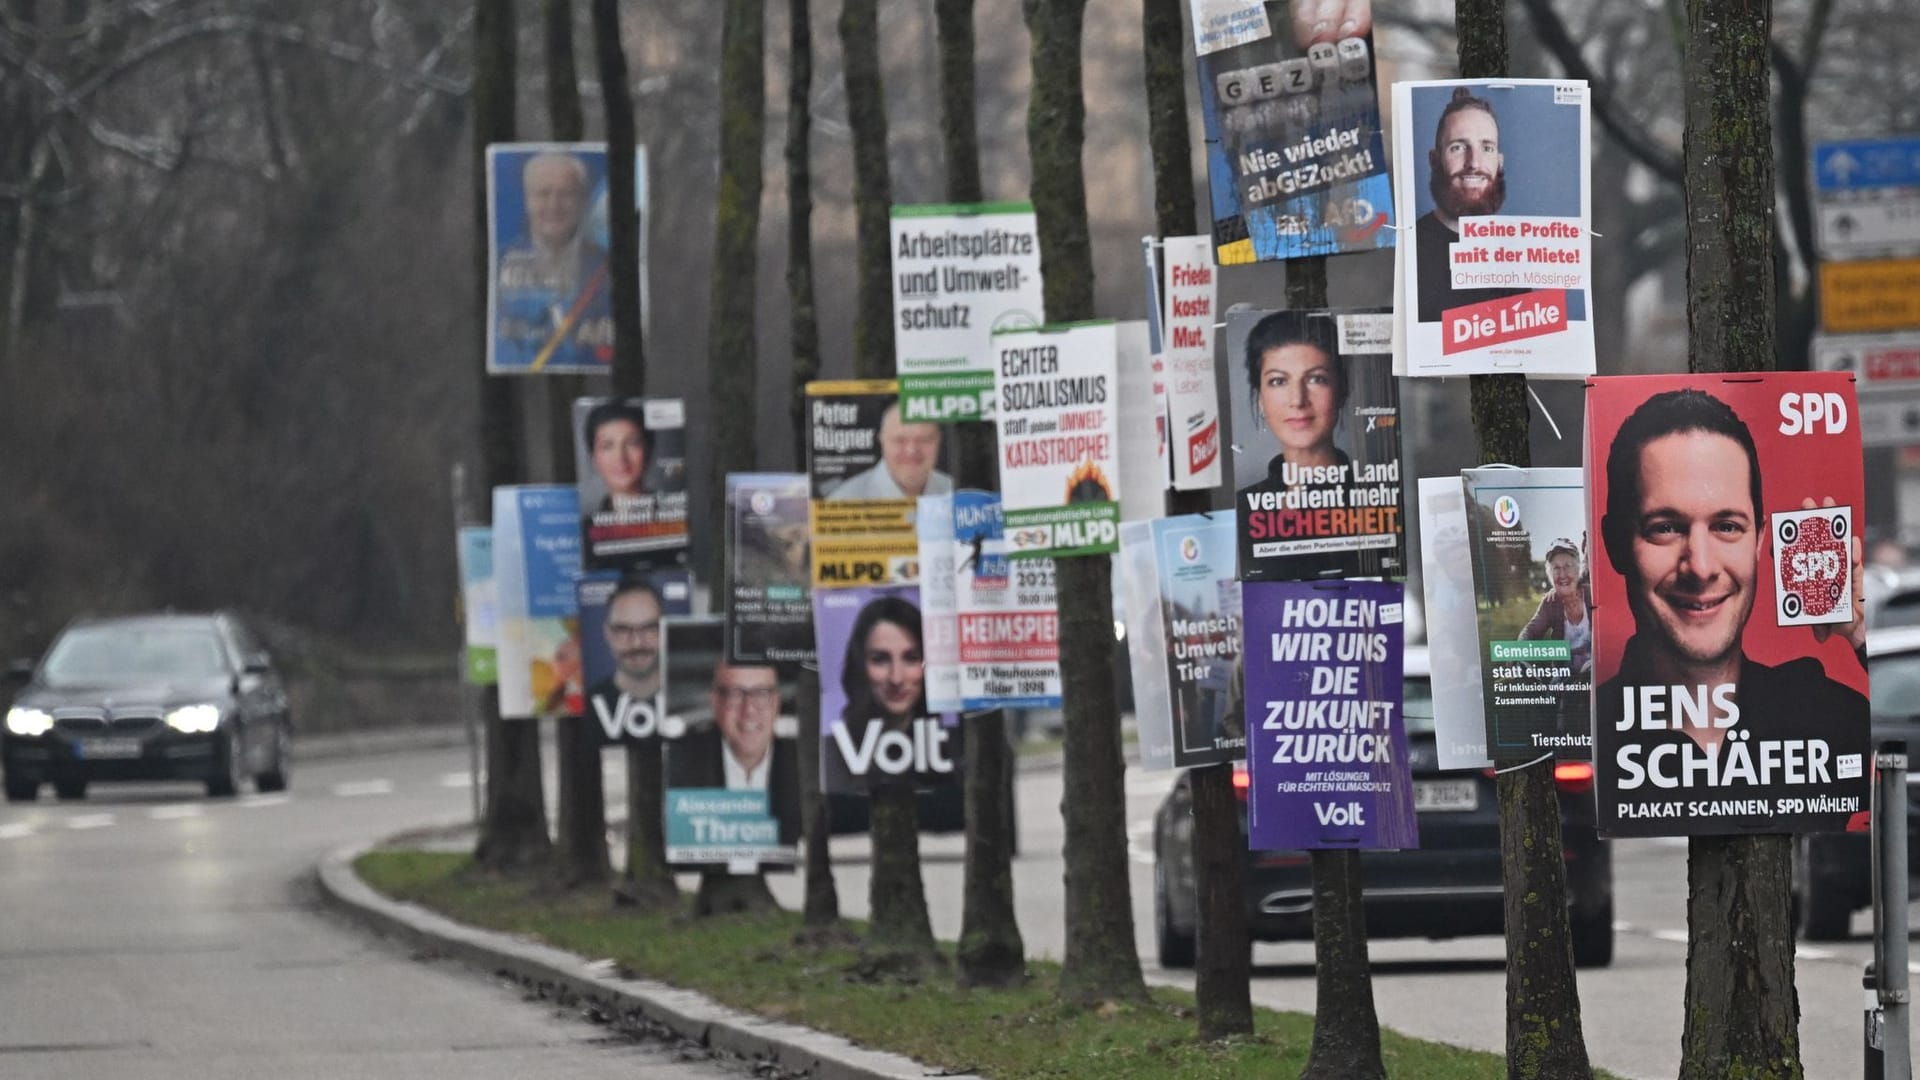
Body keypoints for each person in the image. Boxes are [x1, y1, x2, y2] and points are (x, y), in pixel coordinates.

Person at [1596, 388, 1866, 783]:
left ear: (1759, 539)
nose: (1701, 567)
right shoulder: (1587, 735)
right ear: (1616, 543)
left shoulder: (1831, 716)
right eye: (1666, 528)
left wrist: (1861, 636)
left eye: (1726, 527)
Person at [1236, 311, 1373, 579]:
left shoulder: (1376, 498)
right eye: (1278, 381)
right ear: (1260, 398)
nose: (1298, 400)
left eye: (1316, 378)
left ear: (1341, 389)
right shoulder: (1242, 509)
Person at [1414, 87, 1528, 323]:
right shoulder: (1411, 247)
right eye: (1458, 147)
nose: (1474, 163)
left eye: (1486, 148)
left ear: (1499, 162)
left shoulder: (1519, 254)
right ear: (1434, 161)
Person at [822, 594, 956, 790]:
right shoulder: (831, 754)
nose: (896, 678)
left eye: (911, 658)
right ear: (859, 665)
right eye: (880, 659)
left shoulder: (958, 751)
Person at [495, 151, 612, 368]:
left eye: (566, 194)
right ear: (527, 200)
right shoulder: (497, 264)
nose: (554, 205)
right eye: (543, 194)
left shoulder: (611, 268)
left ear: (582, 200)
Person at [664, 661, 800, 847]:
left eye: (761, 694)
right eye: (735, 695)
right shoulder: (681, 764)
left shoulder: (800, 768)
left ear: (776, 702)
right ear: (715, 702)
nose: (749, 710)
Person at [826, 403, 953, 500]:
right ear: (882, 441)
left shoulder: (954, 491)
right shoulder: (844, 500)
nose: (911, 450)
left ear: (938, 441)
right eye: (900, 441)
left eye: (923, 440)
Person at [586, 576, 665, 730]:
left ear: (665, 629)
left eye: (649, 628)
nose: (637, 643)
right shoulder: (589, 707)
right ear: (607, 633)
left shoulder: (687, 701)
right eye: (623, 630)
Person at [1519, 537, 1593, 676]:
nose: (1562, 574)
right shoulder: (1550, 602)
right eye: (1556, 568)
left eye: (1567, 566)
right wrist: (1520, 655)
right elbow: (1531, 631)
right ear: (1550, 574)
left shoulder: (1592, 595)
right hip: (1565, 680)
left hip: (1596, 676)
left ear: (1578, 569)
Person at [581, 400, 652, 506]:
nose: (620, 457)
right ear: (594, 458)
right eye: (607, 446)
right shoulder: (587, 522)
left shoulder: (676, 515)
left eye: (632, 443)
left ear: (648, 449)